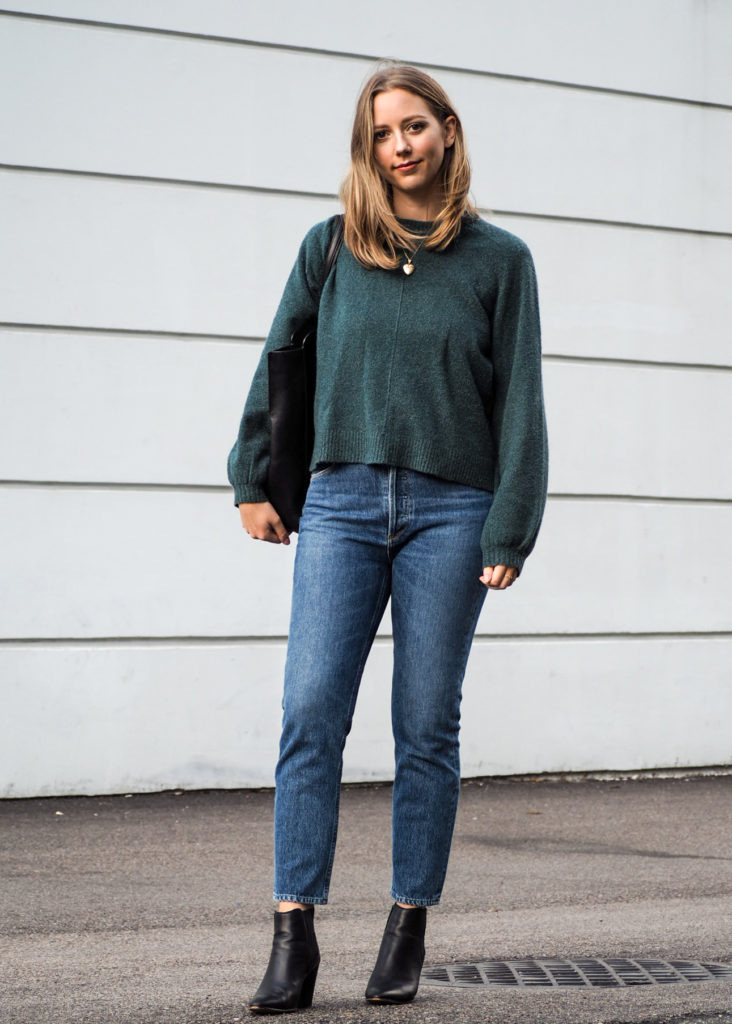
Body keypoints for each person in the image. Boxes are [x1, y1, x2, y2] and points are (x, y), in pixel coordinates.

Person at [227, 63, 548, 1015]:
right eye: (381, 133)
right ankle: (294, 934)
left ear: (447, 131)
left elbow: (520, 400)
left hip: (454, 513)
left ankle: (406, 924)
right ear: (367, 149)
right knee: (310, 714)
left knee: (425, 726)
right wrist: (251, 476)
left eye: (415, 126)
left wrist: (512, 521)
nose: (399, 145)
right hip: (341, 504)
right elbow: (280, 357)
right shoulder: (331, 249)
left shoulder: (500, 261)